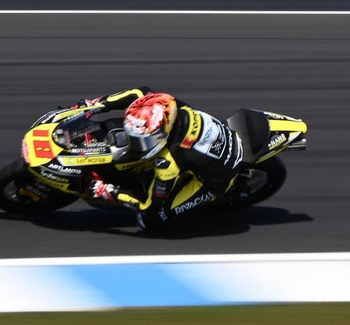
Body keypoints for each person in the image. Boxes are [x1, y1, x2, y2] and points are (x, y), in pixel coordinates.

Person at [66, 88, 244, 232]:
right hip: (212, 141)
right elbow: (138, 93)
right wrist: (97, 104)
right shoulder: (167, 104)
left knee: (151, 220)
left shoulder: (169, 162)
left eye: (145, 141)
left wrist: (110, 192)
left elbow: (149, 206)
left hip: (216, 179)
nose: (136, 145)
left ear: (164, 131)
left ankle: (209, 196)